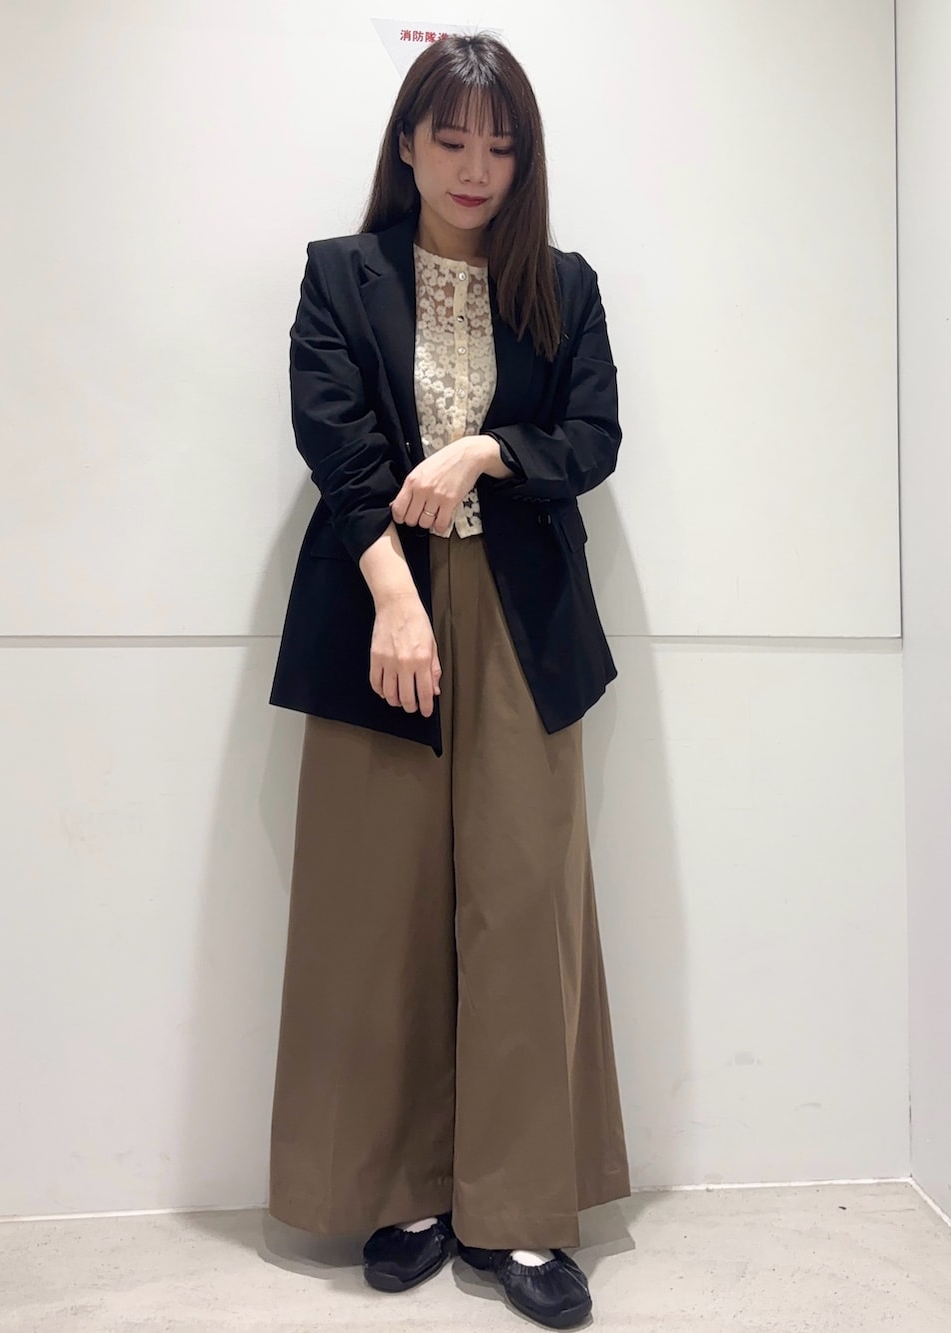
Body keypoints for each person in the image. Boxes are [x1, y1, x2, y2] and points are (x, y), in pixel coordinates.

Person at [267, 31, 630, 1330]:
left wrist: (484, 451)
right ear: (409, 145)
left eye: (501, 144)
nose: (477, 166)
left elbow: (591, 436)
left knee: (525, 903)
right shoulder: (341, 274)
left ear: (523, 160)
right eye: (453, 138)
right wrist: (396, 597)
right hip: (380, 610)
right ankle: (402, 1189)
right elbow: (334, 438)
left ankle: (520, 1208)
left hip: (526, 618)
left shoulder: (563, 287)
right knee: (380, 907)